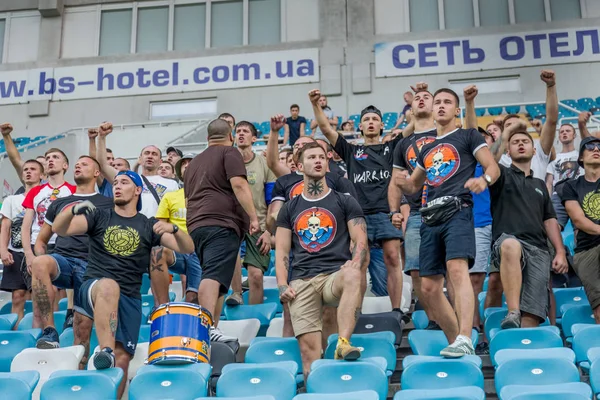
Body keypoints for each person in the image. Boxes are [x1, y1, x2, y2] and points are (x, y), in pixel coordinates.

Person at [51, 170, 193, 397]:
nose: (117, 186)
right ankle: (105, 350)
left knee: (124, 357)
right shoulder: (99, 216)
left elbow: (188, 248)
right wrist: (71, 211)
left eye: (124, 182)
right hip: (94, 287)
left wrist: (174, 228)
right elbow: (59, 228)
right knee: (109, 286)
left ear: (138, 190)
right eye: (115, 182)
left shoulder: (148, 225)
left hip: (130, 295)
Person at [394, 88, 500, 357]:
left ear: (456, 110)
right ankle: (459, 342)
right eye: (437, 102)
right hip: (430, 215)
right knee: (428, 287)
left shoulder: (468, 136)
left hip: (458, 210)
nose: (441, 106)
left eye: (447, 102)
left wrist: (483, 181)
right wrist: (401, 183)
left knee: (457, 270)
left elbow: (493, 168)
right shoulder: (427, 148)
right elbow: (414, 185)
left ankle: (466, 335)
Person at [276, 142, 369, 379]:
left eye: (322, 157)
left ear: (328, 164)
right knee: (310, 358)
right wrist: (282, 284)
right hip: (302, 281)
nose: (318, 161)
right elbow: (282, 252)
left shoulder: (345, 201)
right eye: (311, 157)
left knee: (352, 274)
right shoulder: (289, 208)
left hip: (333, 276)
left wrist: (355, 264)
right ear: (299, 166)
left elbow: (360, 241)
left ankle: (343, 342)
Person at [310, 89, 404, 314]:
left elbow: (415, 125)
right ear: (359, 126)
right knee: (360, 263)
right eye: (366, 120)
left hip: (386, 212)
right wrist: (315, 105)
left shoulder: (391, 147)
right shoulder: (352, 151)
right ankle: (357, 310)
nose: (371, 123)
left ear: (382, 126)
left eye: (375, 120)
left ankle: (397, 310)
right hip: (358, 216)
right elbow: (325, 129)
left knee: (392, 258)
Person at [185, 118, 260, 342]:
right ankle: (206, 325)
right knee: (212, 274)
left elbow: (188, 201)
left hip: (196, 224)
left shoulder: (193, 163)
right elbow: (239, 184)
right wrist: (253, 216)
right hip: (221, 222)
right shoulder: (230, 153)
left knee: (219, 280)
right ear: (231, 136)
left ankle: (212, 329)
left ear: (208, 138)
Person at [489, 121, 568, 328]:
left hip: (539, 250)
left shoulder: (540, 184)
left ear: (534, 150)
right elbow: (489, 159)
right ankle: (512, 311)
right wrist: (506, 133)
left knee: (531, 318)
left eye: (525, 141)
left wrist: (559, 251)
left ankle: (522, 347)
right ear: (508, 148)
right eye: (515, 142)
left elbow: (549, 219)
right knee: (510, 245)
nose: (521, 144)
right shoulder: (501, 174)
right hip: (509, 242)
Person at [31, 156, 113, 352]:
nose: (78, 165)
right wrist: (38, 257)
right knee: (40, 263)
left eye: (84, 164)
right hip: (64, 261)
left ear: (96, 173)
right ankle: (50, 331)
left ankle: (78, 375)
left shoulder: (109, 203)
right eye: (77, 164)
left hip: (92, 266)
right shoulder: (60, 203)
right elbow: (41, 240)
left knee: (82, 328)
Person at [95, 122, 179, 304]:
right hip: (131, 232)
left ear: (161, 160)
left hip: (157, 234)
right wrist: (101, 138)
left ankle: (161, 308)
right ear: (140, 159)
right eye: (146, 153)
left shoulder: (172, 184)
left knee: (157, 253)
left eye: (154, 154)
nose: (150, 157)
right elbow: (102, 165)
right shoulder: (128, 179)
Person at [389, 86, 437, 325]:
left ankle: (458, 321)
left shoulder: (446, 134)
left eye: (426, 97)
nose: (420, 100)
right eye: (417, 98)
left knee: (451, 268)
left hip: (448, 208)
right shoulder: (404, 144)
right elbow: (395, 181)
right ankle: (433, 318)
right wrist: (394, 211)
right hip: (418, 211)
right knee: (416, 270)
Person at [227, 121, 276, 306]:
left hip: (259, 226)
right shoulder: (226, 163)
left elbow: (272, 201)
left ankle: (254, 317)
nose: (240, 134)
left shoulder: (264, 163)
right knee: (232, 262)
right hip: (233, 225)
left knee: (256, 277)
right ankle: (237, 293)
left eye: (245, 131)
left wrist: (268, 231)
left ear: (254, 138)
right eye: (237, 131)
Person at [21, 148, 76, 290]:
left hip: (64, 246)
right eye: (48, 158)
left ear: (65, 165)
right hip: (38, 245)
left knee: (60, 292)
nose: (50, 160)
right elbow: (25, 226)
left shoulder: (74, 191)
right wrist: (28, 254)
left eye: (55, 157)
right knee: (40, 293)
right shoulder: (35, 191)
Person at [490, 70, 558, 180]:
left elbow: (551, 121)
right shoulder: (501, 159)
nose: (513, 128)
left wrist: (551, 86)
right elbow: (489, 160)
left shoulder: (537, 151)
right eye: (509, 125)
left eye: (516, 124)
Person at [561, 136, 600, 323]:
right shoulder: (571, 186)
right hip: (587, 250)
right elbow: (579, 220)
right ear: (581, 158)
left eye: (599, 146)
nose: (596, 149)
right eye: (590, 146)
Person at [0, 160, 44, 323]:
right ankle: (17, 332)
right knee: (17, 296)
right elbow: (5, 226)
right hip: (16, 252)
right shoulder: (11, 200)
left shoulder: (45, 198)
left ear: (42, 175)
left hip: (38, 250)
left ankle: (36, 332)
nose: (28, 172)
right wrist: (3, 250)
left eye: (33, 169)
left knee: (38, 296)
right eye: (25, 169)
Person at [155, 153, 202, 304]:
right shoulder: (169, 196)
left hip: (201, 249)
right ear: (179, 172)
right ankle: (161, 305)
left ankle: (191, 296)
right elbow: (160, 229)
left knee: (192, 298)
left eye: (192, 162)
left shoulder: (209, 194)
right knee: (157, 252)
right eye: (184, 163)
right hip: (178, 248)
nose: (187, 165)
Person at [545, 123, 583, 228]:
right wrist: (547, 201)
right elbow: (549, 183)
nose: (564, 133)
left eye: (568, 131)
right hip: (558, 196)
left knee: (580, 228)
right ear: (559, 137)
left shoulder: (581, 156)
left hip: (578, 194)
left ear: (574, 135)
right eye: (562, 131)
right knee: (553, 228)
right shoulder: (554, 159)